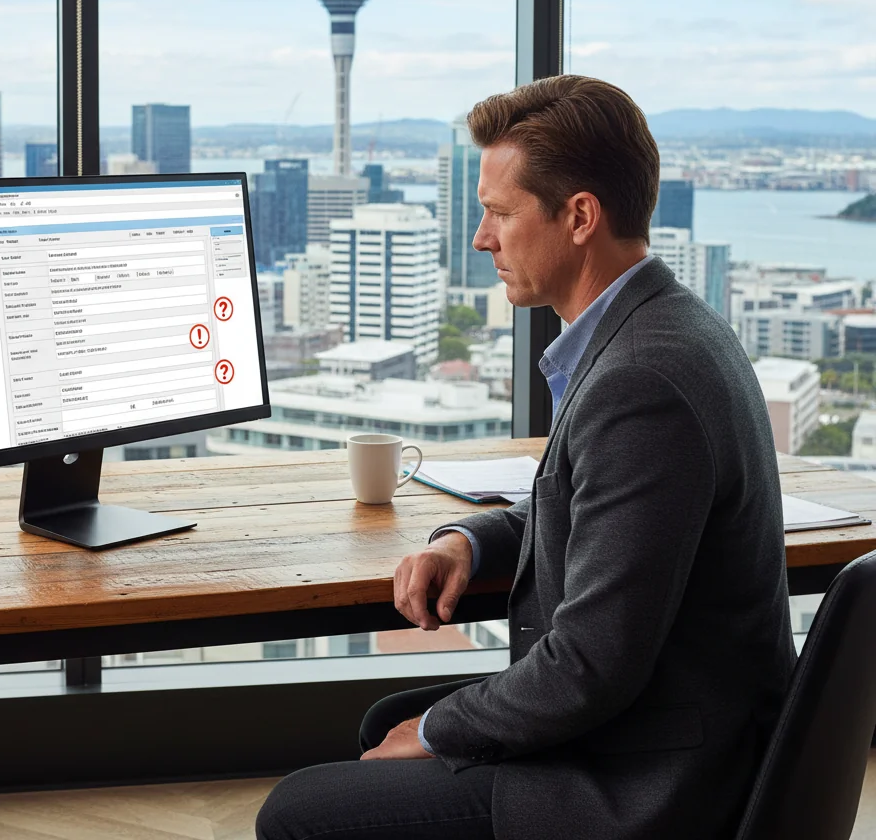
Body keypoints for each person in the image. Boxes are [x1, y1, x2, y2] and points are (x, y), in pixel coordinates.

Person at [256, 75, 796, 840]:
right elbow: (594, 512)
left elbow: (588, 669)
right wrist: (467, 541)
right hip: (673, 727)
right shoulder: (665, 326)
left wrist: (440, 730)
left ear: (579, 216)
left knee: (298, 814)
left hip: (653, 785)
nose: (482, 239)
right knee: (388, 719)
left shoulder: (641, 382)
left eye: (500, 214)